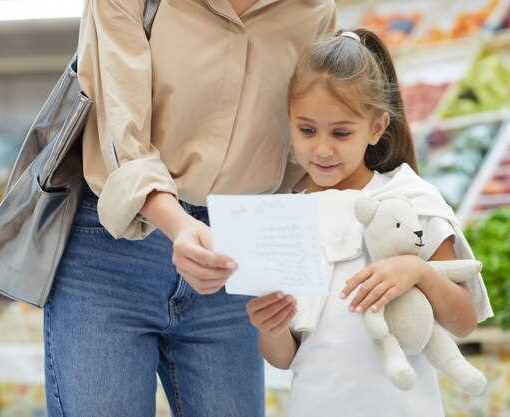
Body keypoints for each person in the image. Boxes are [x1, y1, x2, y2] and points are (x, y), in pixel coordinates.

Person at [43, 1, 336, 416]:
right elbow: (119, 124)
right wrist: (177, 223)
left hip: (234, 254)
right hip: (112, 249)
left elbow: (306, 148)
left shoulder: (314, 10)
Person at [245, 28, 493, 417]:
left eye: (341, 132)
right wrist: (269, 326)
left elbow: (463, 321)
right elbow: (285, 357)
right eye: (306, 130)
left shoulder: (410, 199)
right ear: (288, 121)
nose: (322, 149)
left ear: (376, 127)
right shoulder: (286, 217)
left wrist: (418, 272)